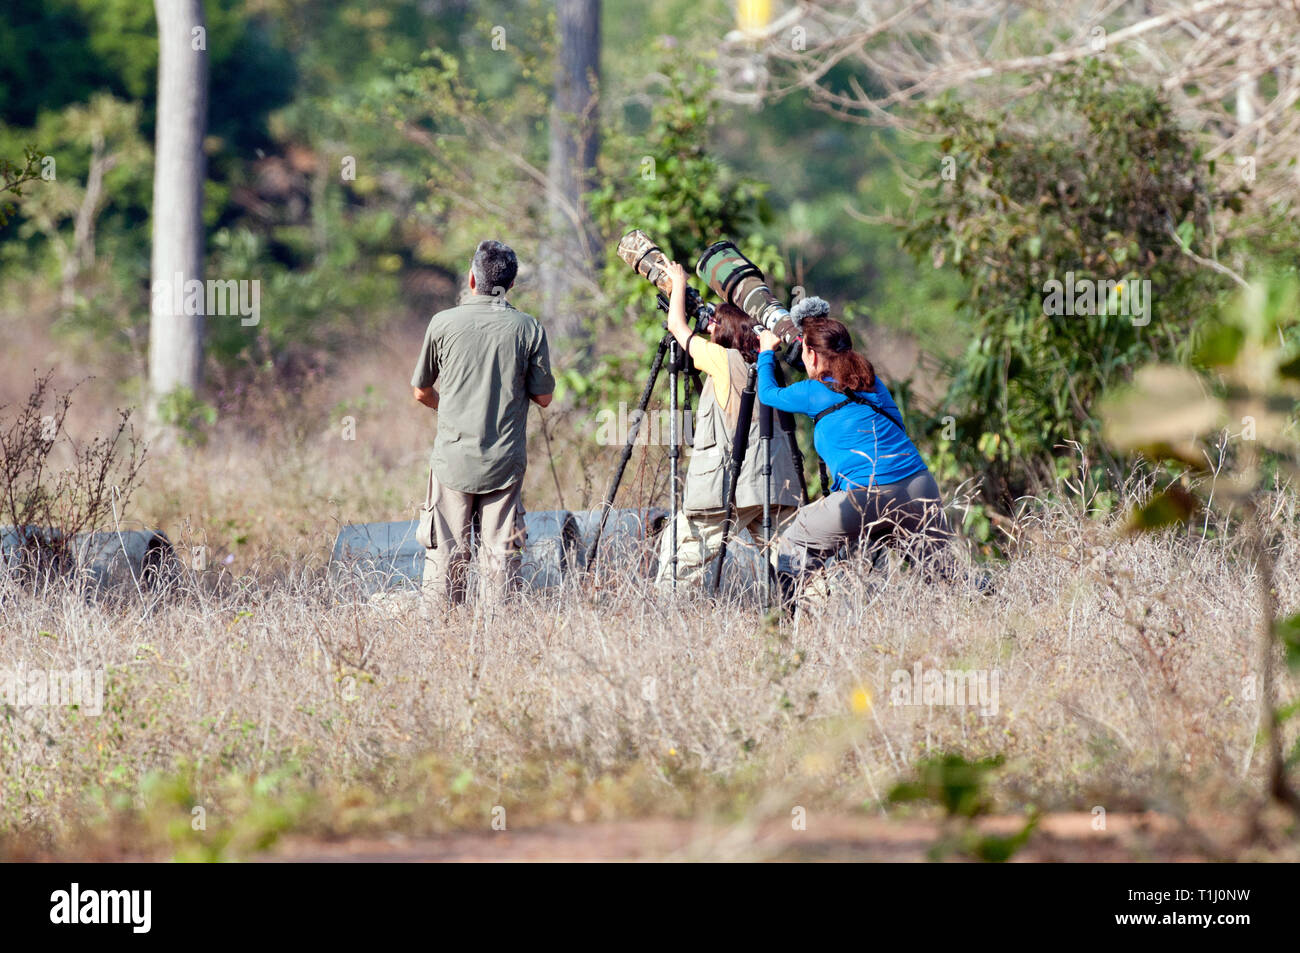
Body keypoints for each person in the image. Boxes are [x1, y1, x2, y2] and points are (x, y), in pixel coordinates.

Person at [755, 310, 953, 607]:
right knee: (945, 575)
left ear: (810, 353)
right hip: (920, 487)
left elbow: (768, 393)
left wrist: (766, 353)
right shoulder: (872, 382)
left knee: (794, 541)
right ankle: (990, 604)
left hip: (866, 496)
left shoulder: (812, 391)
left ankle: (785, 623)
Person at [411, 240, 555, 609]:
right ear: (509, 286)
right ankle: (499, 645)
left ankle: (441, 640)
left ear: (472, 280)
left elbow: (420, 390)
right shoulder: (529, 329)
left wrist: (449, 412)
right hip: (504, 463)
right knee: (500, 561)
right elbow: (544, 398)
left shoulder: (442, 323)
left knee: (446, 560)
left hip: (453, 461)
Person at [656, 261, 803, 591]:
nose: (710, 329)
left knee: (679, 555)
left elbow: (678, 327)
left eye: (715, 324)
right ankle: (823, 612)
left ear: (728, 331)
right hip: (775, 487)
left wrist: (678, 283)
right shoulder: (767, 365)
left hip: (731, 488)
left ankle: (664, 619)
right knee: (798, 561)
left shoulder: (721, 361)